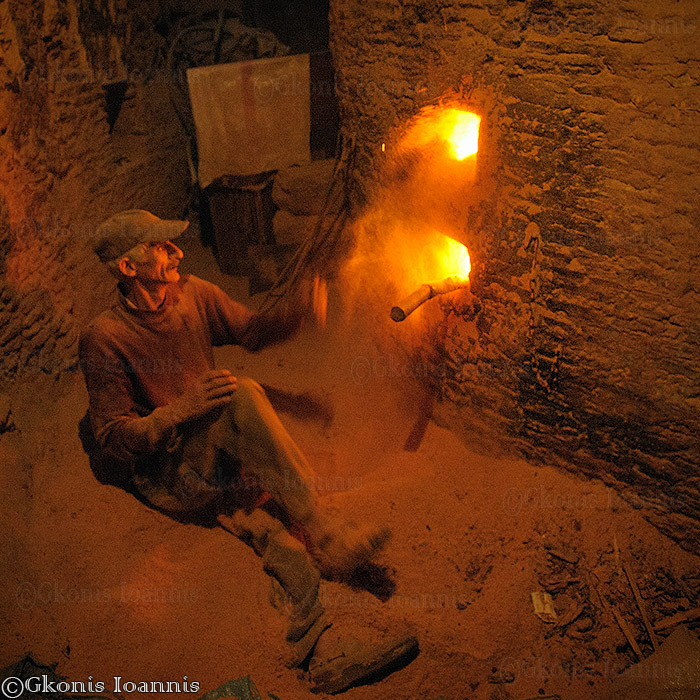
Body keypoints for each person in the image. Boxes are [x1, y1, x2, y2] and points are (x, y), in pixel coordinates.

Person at [79, 210, 418, 693]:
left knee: (265, 523)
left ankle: (317, 638)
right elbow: (113, 437)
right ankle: (327, 528)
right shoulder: (105, 338)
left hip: (218, 450)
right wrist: (180, 410)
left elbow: (252, 332)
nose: (177, 252)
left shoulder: (192, 294)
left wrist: (297, 314)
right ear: (129, 270)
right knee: (241, 395)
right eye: (160, 247)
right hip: (172, 474)